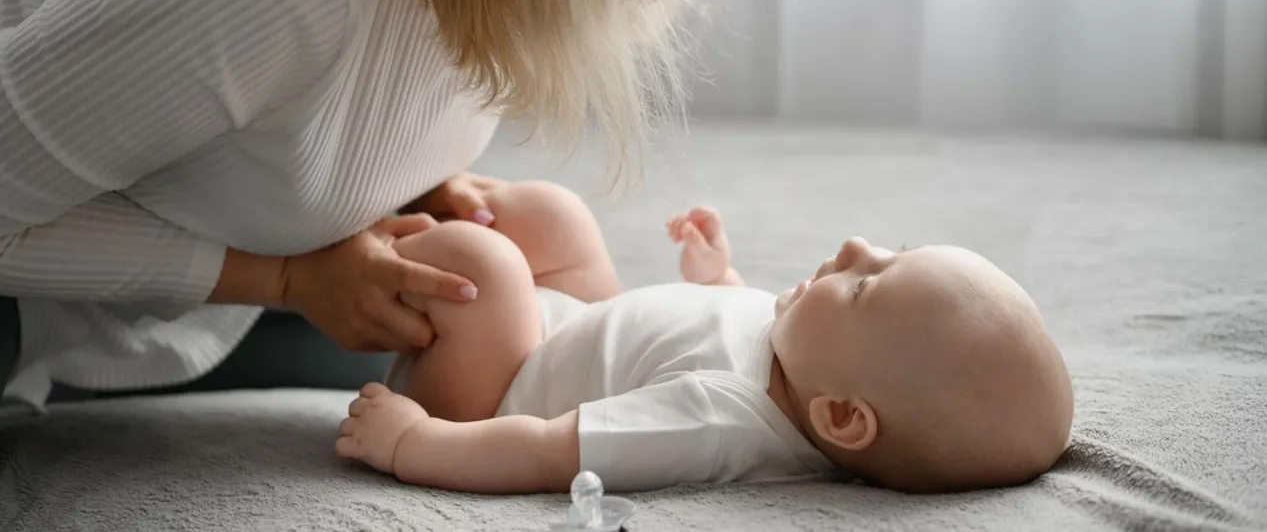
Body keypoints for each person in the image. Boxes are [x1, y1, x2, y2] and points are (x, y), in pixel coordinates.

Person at [0, 0, 829, 528]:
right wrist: (286, 282)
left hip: (149, 228)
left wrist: (421, 180)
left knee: (518, 367)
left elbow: (333, 88)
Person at [336, 181, 1075, 494]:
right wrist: (719, 279)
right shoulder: (807, 361)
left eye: (865, 284)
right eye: (891, 249)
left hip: (501, 392)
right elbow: (731, 331)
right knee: (553, 215)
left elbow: (547, 451)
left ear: (842, 419)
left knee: (483, 263)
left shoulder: (713, 421)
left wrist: (413, 443)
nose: (855, 244)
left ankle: (331, 250)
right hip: (585, 333)